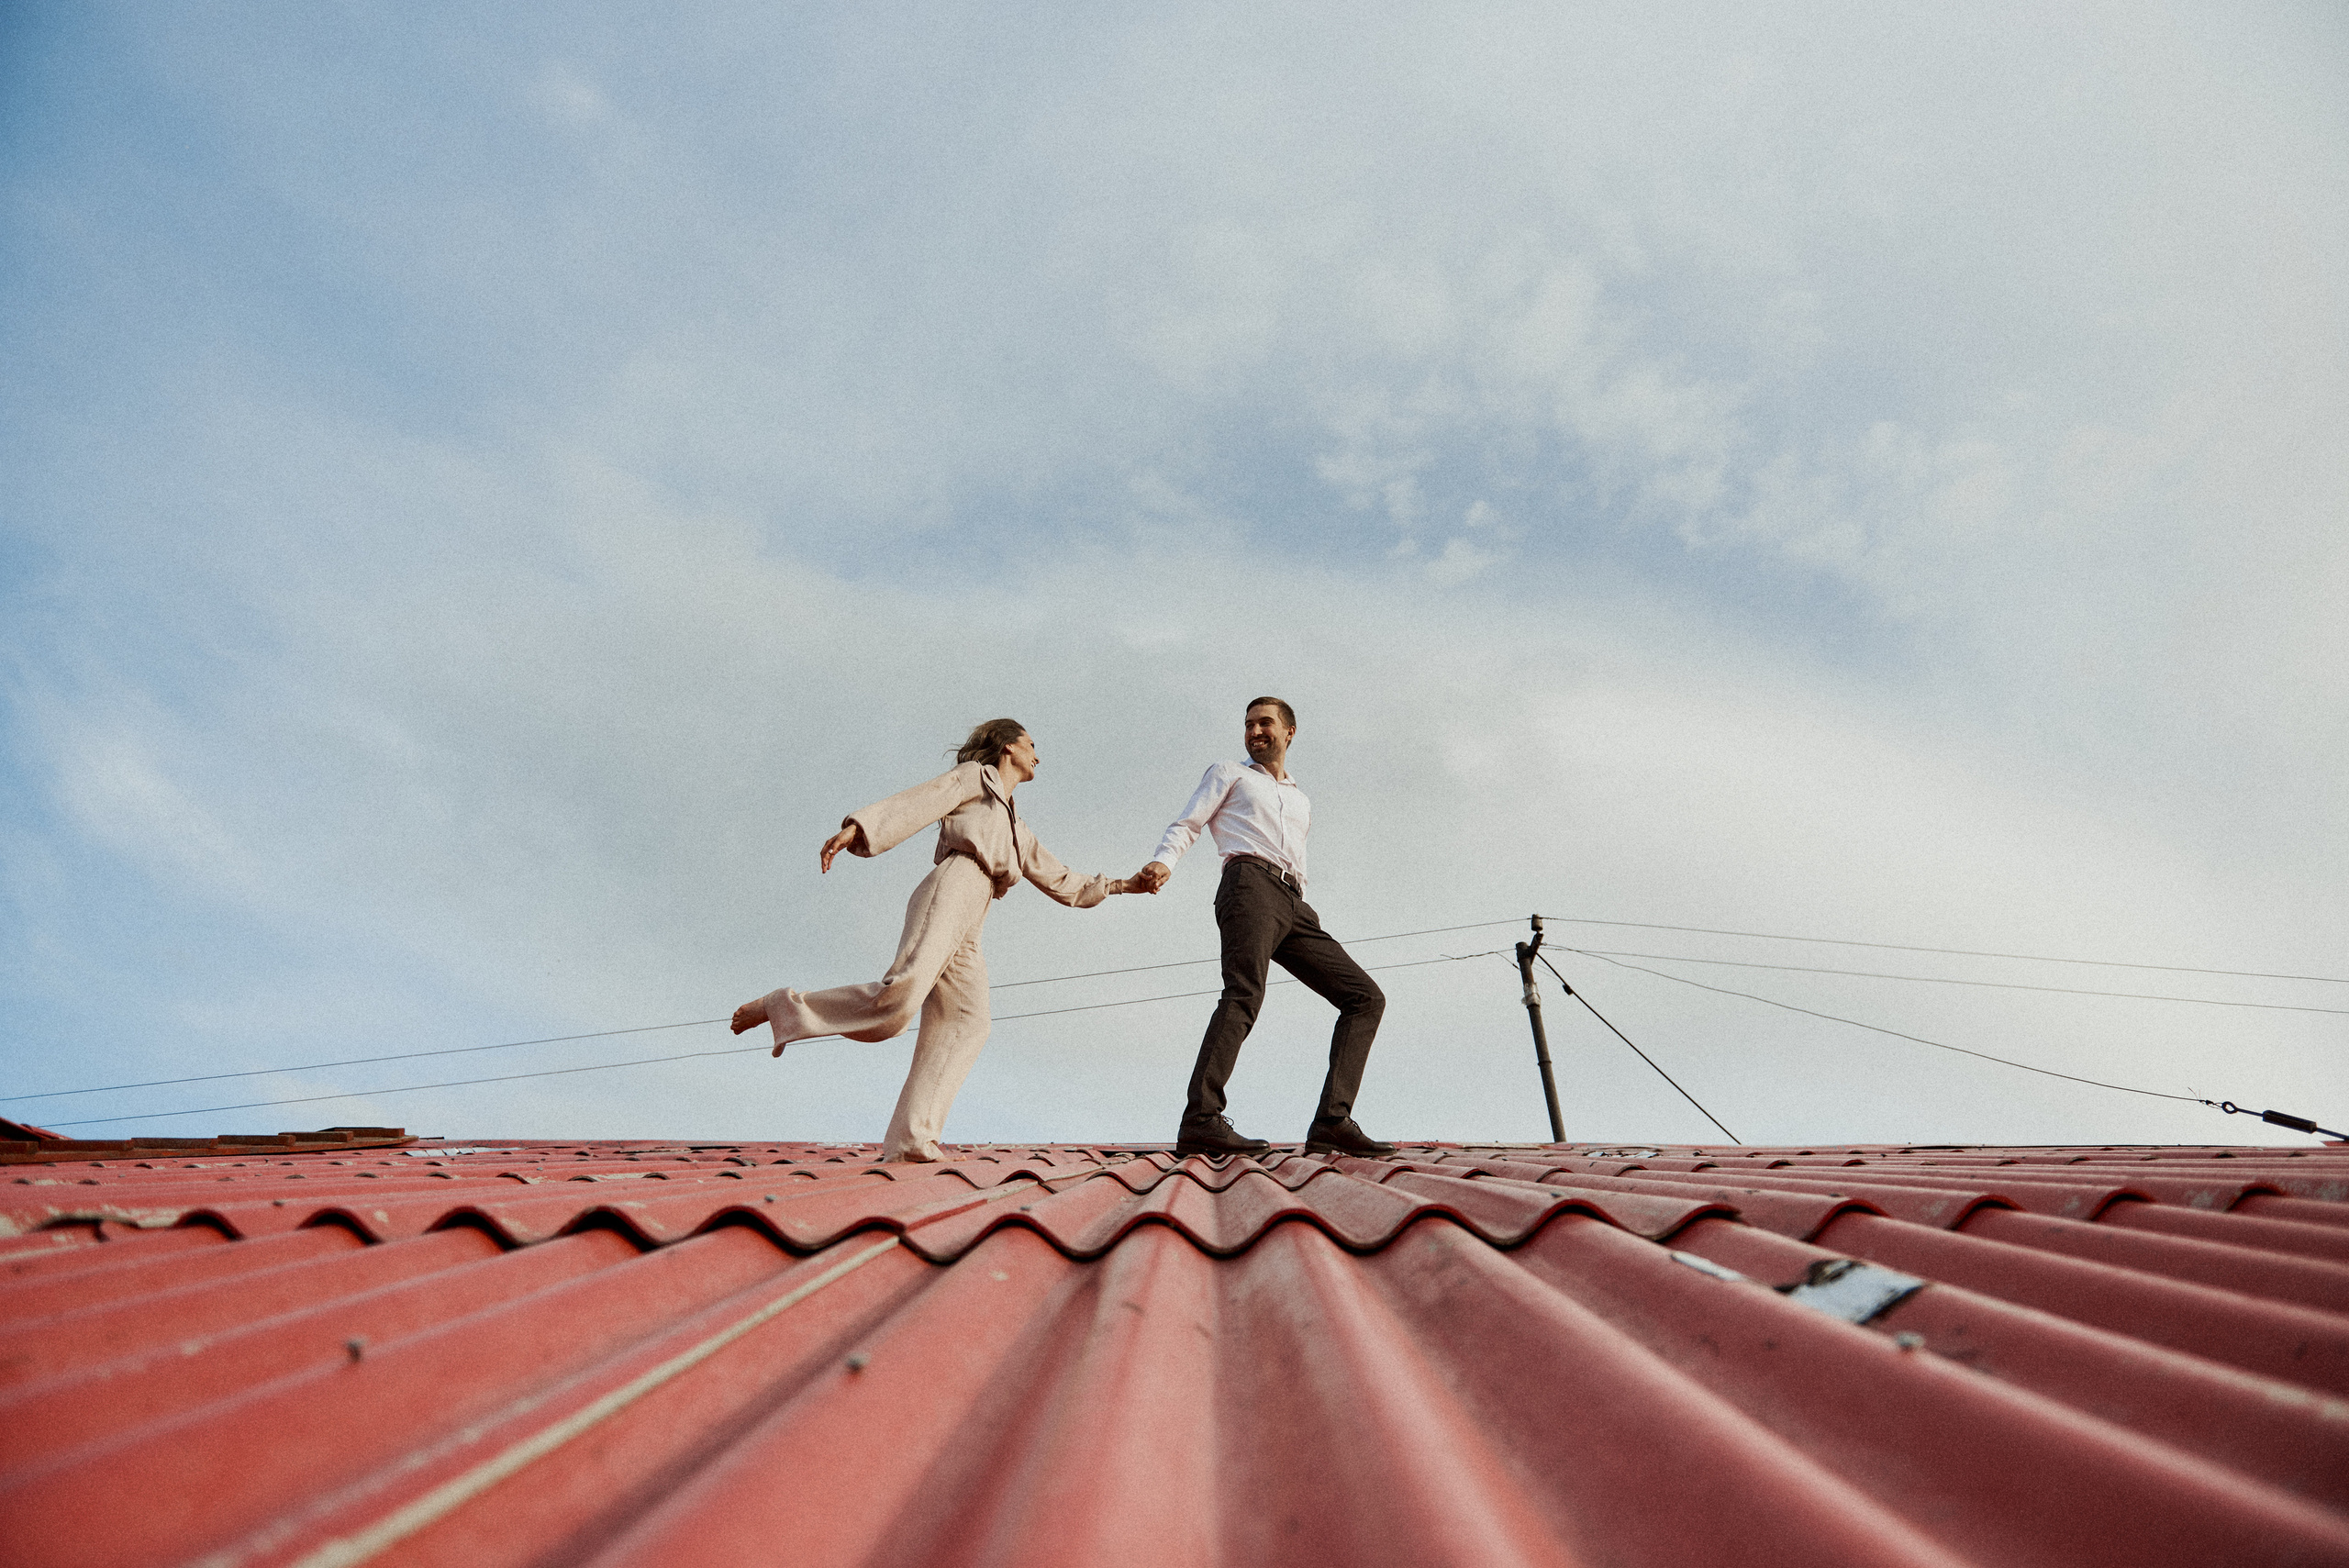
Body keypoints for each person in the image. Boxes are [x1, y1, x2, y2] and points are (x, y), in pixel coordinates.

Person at [731, 719, 1139, 1162]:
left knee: (968, 1021)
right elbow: (922, 801)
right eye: (1031, 744)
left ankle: (912, 1141)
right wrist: (859, 829)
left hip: (976, 911)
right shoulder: (975, 779)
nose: (1038, 755)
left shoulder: (1017, 827)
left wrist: (1124, 885)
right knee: (899, 1000)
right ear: (1007, 747)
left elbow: (1062, 880)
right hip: (952, 885)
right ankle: (780, 1006)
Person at [1134, 697, 1396, 1159]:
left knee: (1365, 998)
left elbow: (1296, 857)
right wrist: (1164, 862)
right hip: (1248, 884)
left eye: (1265, 723)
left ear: (1289, 732)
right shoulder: (1229, 773)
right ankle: (1201, 1119)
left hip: (1293, 902)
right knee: (1244, 994)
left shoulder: (1300, 798)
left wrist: (1299, 903)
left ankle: (1332, 1122)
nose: (1255, 731)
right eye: (1249, 724)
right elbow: (1188, 823)